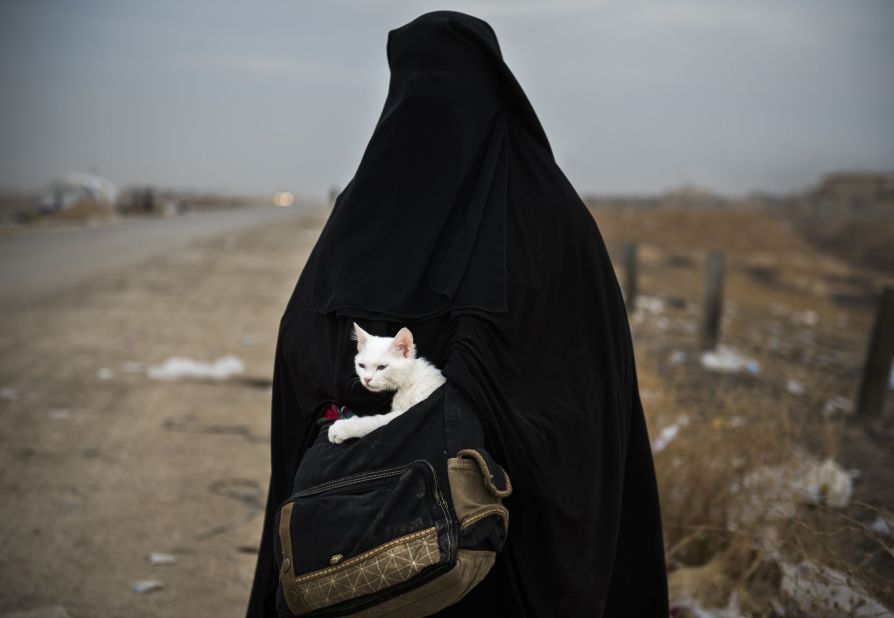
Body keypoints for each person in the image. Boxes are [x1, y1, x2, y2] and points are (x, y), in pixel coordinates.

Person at [247, 10, 669, 617]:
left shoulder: (545, 220)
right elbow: (304, 351)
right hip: (361, 549)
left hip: (492, 544)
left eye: (445, 89)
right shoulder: (369, 213)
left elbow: (583, 387)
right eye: (412, 89)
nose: (428, 111)